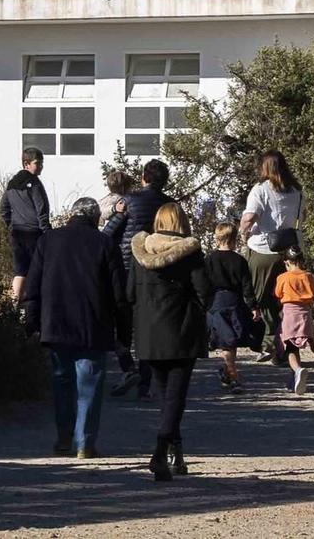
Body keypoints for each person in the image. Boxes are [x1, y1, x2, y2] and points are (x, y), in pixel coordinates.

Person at [20, 197, 126, 459]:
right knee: (88, 385)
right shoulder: (105, 243)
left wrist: (31, 323)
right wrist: (123, 332)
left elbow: (32, 287)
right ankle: (85, 442)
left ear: (71, 214)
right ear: (94, 217)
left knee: (62, 383)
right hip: (92, 326)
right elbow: (119, 294)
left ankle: (64, 437)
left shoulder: (48, 241)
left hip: (56, 324)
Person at [129, 201, 212, 481]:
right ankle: (160, 451)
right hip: (181, 330)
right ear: (181, 222)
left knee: (166, 397)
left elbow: (129, 294)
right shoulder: (190, 252)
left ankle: (176, 453)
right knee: (175, 397)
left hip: (149, 333)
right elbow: (204, 292)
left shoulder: (140, 251)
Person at [108, 159, 175, 398]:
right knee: (147, 329)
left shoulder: (128, 201)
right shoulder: (170, 205)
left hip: (126, 268)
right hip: (156, 271)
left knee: (121, 324)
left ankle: (128, 366)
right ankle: (145, 383)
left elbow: (108, 235)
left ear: (143, 177)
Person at [239, 150, 302, 365]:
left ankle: (267, 344)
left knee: (260, 298)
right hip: (291, 251)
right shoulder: (297, 191)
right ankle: (287, 344)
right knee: (287, 300)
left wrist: (243, 232)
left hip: (263, 249)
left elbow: (250, 217)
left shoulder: (261, 189)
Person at [95, 168, 137, 380]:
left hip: (107, 261)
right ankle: (126, 360)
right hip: (122, 259)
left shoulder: (101, 203)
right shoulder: (124, 204)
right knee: (123, 313)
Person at [0, 147, 51, 305]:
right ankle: (34, 304)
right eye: (37, 163)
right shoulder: (34, 184)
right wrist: (47, 232)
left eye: (42, 163)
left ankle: (14, 305)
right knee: (38, 270)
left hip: (17, 233)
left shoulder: (12, 183)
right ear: (26, 163)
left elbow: (3, 209)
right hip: (34, 233)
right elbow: (42, 209)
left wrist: (11, 224)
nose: (41, 166)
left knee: (20, 271)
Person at [204, 222, 252, 392]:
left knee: (228, 341)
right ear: (233, 239)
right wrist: (253, 306)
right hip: (235, 302)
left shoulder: (209, 260)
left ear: (217, 238)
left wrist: (203, 304)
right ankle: (233, 376)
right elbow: (247, 286)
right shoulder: (240, 260)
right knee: (230, 341)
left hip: (216, 302)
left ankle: (227, 372)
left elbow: (204, 285)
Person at [273, 244, 314, 395]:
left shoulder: (282, 277)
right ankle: (294, 379)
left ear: (287, 262)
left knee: (289, 347)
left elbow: (277, 294)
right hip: (305, 314)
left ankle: (297, 370)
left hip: (289, 315)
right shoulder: (308, 276)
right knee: (295, 346)